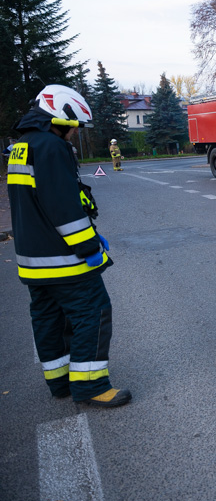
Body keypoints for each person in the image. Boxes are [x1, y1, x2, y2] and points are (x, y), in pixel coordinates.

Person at [7, 85, 130, 407]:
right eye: (73, 127)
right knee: (93, 312)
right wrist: (89, 246)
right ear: (59, 118)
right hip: (62, 258)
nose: (74, 135)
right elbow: (62, 205)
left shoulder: (22, 146)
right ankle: (90, 386)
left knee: (48, 317)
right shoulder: (51, 147)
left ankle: (59, 381)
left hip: (32, 258)